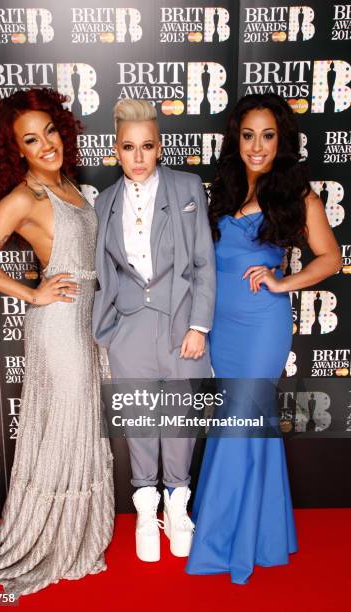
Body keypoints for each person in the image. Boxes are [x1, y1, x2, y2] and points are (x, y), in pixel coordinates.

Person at [0, 88, 114, 597]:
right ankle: (49, 539)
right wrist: (32, 292)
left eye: (49, 131)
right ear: (16, 150)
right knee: (65, 426)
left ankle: (76, 531)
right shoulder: (25, 196)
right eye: (31, 139)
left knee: (82, 424)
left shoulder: (65, 183)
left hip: (86, 322)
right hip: (59, 326)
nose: (45, 143)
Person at [186, 93, 342, 584]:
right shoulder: (223, 190)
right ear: (237, 138)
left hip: (262, 324)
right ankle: (267, 534)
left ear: (282, 141)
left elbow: (330, 258)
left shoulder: (298, 195)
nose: (258, 146)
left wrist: (282, 281)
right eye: (249, 135)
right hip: (222, 326)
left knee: (238, 421)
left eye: (268, 135)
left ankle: (223, 541)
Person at [92, 99, 215, 562]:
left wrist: (199, 325)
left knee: (180, 419)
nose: (138, 156)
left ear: (159, 146)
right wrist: (108, 330)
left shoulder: (187, 188)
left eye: (147, 146)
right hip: (129, 327)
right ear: (116, 150)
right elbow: (104, 269)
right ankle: (146, 508)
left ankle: (177, 506)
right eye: (129, 147)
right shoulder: (103, 202)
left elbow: (203, 263)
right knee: (142, 418)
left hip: (182, 323)